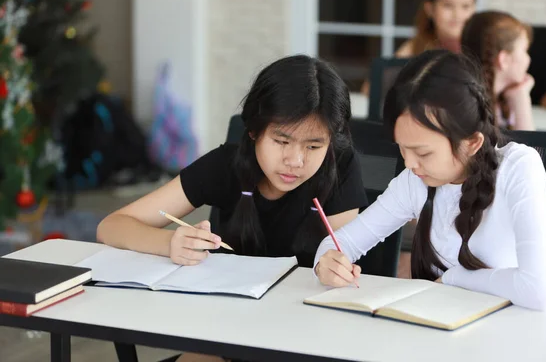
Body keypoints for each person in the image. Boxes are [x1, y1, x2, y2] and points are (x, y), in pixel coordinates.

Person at [97, 55, 369, 362]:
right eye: (281, 141)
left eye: (314, 146)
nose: (296, 160)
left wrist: (334, 269)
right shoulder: (226, 165)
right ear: (254, 130)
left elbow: (341, 256)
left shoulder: (340, 168)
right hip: (228, 335)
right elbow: (112, 225)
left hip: (306, 339)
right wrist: (170, 243)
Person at [314, 50, 546, 311]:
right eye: (402, 148)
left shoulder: (518, 167)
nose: (408, 164)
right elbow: (342, 243)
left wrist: (455, 277)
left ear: (472, 142)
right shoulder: (415, 181)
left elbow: (539, 290)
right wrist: (326, 264)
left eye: (422, 152)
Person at [361, 0, 476, 96]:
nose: (457, 14)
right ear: (430, 9)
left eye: (466, 6)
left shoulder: (480, 47)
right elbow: (371, 90)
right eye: (448, 5)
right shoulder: (415, 48)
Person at [461, 10, 535, 130]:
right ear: (504, 59)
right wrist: (522, 98)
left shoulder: (501, 103)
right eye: (525, 50)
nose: (528, 59)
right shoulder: (471, 110)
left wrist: (520, 95)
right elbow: (530, 147)